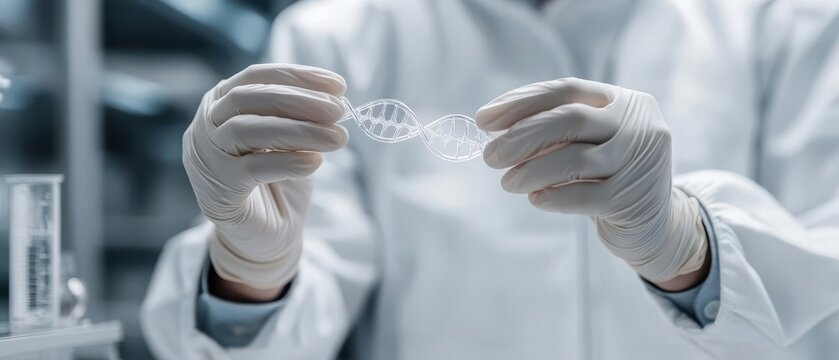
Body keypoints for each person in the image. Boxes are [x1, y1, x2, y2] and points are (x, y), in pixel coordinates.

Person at [141, 0, 839, 358]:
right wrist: (250, 274)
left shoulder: (783, 21)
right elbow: (275, 338)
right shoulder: (342, 35)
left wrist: (693, 252)